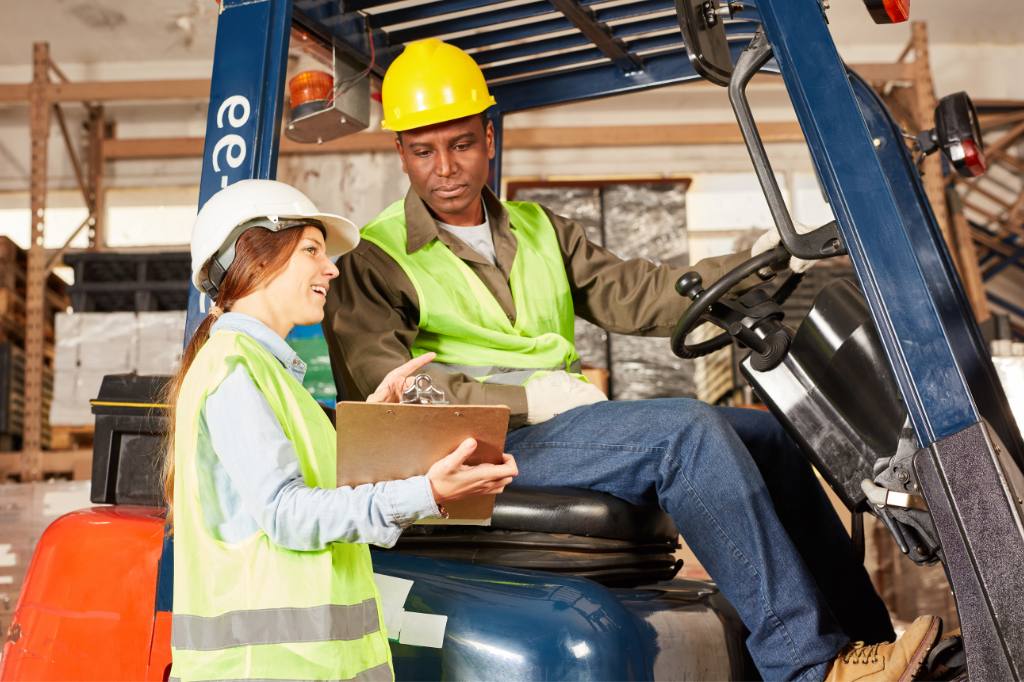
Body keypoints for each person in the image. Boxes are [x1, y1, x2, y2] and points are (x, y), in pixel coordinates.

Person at [323, 38, 943, 682]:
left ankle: (867, 644)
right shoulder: (374, 259)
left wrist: (766, 261)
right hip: (475, 451)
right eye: (423, 151)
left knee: (766, 435)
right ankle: (808, 665)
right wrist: (527, 398)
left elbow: (640, 293)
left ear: (488, 137)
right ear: (401, 153)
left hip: (561, 432)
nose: (444, 168)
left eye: (460, 144)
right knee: (683, 432)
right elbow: (385, 392)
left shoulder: (542, 230)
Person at [163, 179, 517, 681]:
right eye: (312, 250)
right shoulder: (235, 369)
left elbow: (317, 494)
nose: (331, 268)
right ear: (254, 256)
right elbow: (287, 513)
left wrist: (376, 421)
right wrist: (427, 492)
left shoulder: (269, 375)